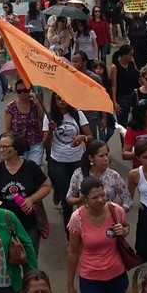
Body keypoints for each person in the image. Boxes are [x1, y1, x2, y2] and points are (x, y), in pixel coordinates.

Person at [65, 176, 130, 293]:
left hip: (117, 278)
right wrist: (70, 286)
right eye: (95, 197)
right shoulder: (77, 219)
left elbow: (126, 226)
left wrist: (124, 231)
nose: (101, 200)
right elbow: (73, 252)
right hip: (91, 281)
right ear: (85, 199)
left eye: (103, 195)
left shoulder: (116, 210)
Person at [0, 132, 51, 255]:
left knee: (30, 257)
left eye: (6, 147)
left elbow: (46, 186)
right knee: (9, 259)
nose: (2, 150)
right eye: (0, 146)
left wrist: (31, 199)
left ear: (16, 149)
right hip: (6, 225)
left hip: (29, 224)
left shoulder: (30, 167)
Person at [42, 94, 91, 230]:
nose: (62, 101)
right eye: (58, 98)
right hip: (59, 162)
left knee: (83, 194)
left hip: (78, 161)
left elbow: (90, 136)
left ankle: (84, 227)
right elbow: (46, 145)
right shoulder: (49, 117)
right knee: (67, 197)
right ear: (54, 100)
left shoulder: (78, 114)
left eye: (64, 98)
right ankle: (70, 231)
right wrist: (50, 131)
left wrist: (83, 138)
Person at [66, 139, 132, 211]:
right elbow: (69, 198)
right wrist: (79, 200)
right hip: (85, 215)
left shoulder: (113, 176)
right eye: (101, 156)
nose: (106, 159)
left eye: (107, 154)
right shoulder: (79, 174)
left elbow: (127, 200)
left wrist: (119, 213)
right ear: (91, 158)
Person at [3, 81, 45, 165]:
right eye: (19, 91)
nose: (22, 93)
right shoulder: (11, 107)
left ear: (30, 90)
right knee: (20, 169)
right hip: (18, 146)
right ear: (16, 92)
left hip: (35, 143)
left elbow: (41, 117)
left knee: (34, 169)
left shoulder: (35, 104)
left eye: (25, 90)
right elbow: (7, 129)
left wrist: (38, 103)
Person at [109, 44, 138, 127]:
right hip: (122, 98)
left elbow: (137, 76)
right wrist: (114, 102)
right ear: (123, 55)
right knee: (122, 123)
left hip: (133, 95)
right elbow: (114, 86)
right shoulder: (115, 67)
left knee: (136, 120)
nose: (131, 57)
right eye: (129, 55)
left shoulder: (132, 64)